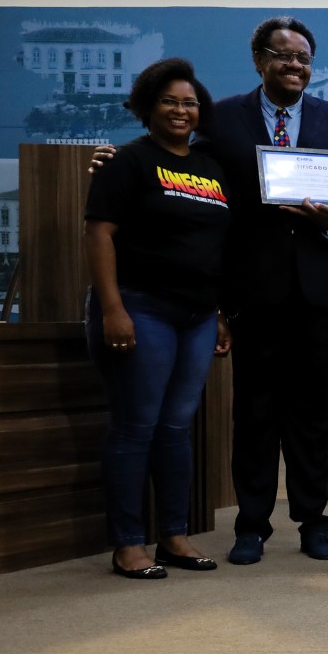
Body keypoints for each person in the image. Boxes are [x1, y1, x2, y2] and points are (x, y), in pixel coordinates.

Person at [208, 16, 328, 565]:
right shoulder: (224, 118)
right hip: (251, 289)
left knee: (309, 410)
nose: (294, 65)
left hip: (315, 291)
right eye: (283, 55)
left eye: (303, 57)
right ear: (258, 60)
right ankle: (252, 523)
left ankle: (312, 520)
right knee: (253, 409)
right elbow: (198, 186)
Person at [84, 58, 231, 579]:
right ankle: (127, 544)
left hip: (196, 315)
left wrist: (216, 313)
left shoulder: (212, 166)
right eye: (169, 101)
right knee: (135, 426)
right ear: (148, 105)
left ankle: (173, 534)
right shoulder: (126, 161)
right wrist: (112, 308)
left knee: (175, 428)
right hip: (140, 307)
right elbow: (100, 234)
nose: (180, 110)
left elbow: (211, 245)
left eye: (189, 102)